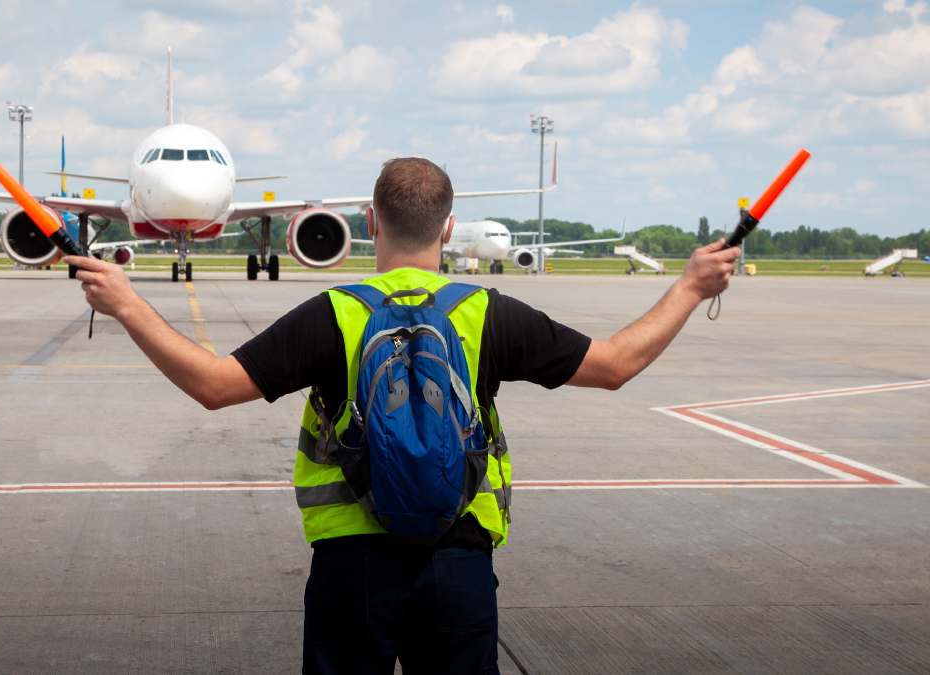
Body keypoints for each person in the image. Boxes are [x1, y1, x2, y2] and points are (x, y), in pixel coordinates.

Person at [66, 157, 740, 674]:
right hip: (459, 564)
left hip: (350, 566)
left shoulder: (336, 312)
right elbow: (617, 363)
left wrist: (127, 304)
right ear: (448, 226)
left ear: (369, 221)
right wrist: (687, 286)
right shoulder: (487, 312)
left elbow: (212, 384)